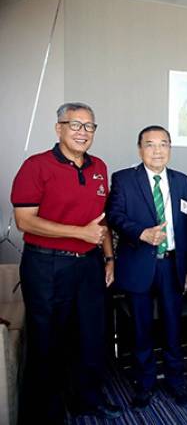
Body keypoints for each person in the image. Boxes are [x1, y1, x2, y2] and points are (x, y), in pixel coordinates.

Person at [11, 102, 121, 421]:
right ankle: (46, 412)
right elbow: (24, 221)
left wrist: (109, 257)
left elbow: (102, 220)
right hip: (47, 266)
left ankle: (87, 400)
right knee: (47, 342)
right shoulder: (36, 166)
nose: (82, 132)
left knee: (91, 336)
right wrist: (79, 232)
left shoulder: (99, 166)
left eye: (89, 126)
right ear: (58, 128)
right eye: (75, 125)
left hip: (89, 264)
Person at [107, 125, 187, 408]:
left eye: (163, 144)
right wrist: (141, 233)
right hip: (139, 264)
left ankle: (176, 380)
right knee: (141, 329)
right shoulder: (124, 179)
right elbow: (114, 215)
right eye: (150, 144)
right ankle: (144, 384)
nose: (158, 150)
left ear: (170, 148)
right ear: (139, 149)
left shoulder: (183, 181)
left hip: (172, 265)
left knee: (173, 327)